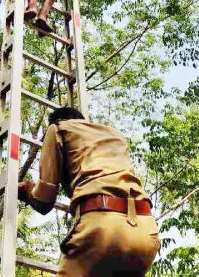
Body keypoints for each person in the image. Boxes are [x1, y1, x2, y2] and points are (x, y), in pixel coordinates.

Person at [17, 107, 160, 276]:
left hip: (102, 227)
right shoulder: (115, 136)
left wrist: (27, 190)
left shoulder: (58, 128)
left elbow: (44, 200)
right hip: (145, 231)